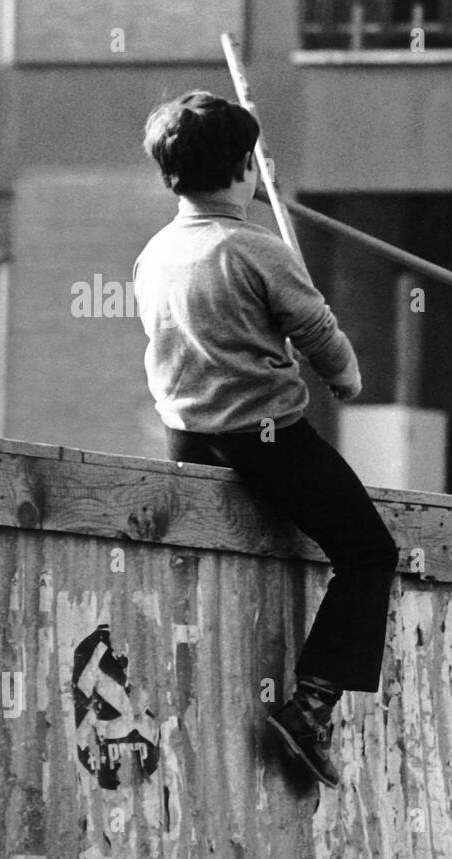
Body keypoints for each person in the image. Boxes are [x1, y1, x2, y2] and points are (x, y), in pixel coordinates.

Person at [133, 90, 398, 788]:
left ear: (171, 176)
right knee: (370, 553)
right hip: (266, 438)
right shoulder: (257, 248)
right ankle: (311, 707)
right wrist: (347, 380)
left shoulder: (155, 254)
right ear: (247, 168)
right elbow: (318, 335)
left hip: (186, 439)